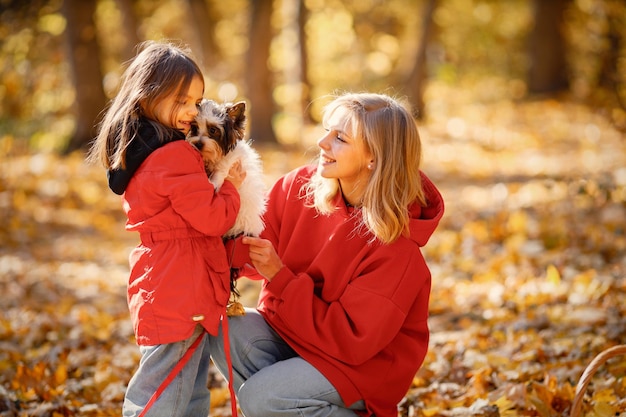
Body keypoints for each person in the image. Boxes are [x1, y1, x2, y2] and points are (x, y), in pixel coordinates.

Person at [210, 92, 445, 417]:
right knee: (225, 328)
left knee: (263, 398)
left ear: (373, 158)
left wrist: (280, 277)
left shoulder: (396, 248)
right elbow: (248, 248)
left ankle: (287, 402)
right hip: (295, 334)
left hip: (360, 366)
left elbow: (352, 342)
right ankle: (290, 402)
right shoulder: (301, 186)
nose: (322, 143)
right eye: (326, 131)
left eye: (340, 139)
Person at [88, 40, 246, 417]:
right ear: (147, 97)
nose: (191, 113)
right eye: (181, 101)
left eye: (196, 101)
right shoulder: (174, 156)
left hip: (167, 283)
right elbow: (212, 218)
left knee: (186, 389)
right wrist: (233, 191)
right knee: (164, 392)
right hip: (181, 289)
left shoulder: (145, 151)